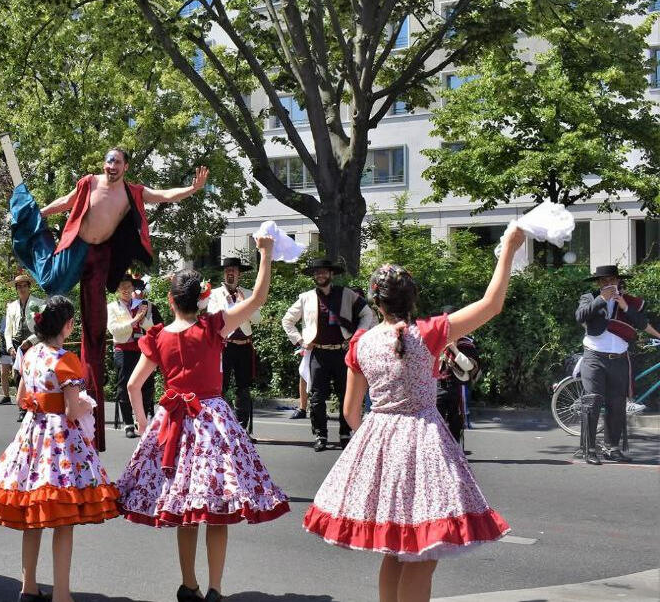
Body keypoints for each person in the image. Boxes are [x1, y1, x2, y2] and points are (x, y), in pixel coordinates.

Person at [303, 229, 524, 602]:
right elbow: (492, 304)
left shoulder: (361, 343)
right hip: (423, 441)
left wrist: (373, 441)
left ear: (376, 302)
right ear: (412, 298)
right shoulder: (430, 332)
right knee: (422, 553)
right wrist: (510, 251)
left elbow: (350, 412)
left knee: (394, 546)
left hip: (379, 439)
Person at [117, 238, 289, 602]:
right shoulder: (213, 328)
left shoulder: (159, 336)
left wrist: (147, 427)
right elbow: (257, 299)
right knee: (216, 507)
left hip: (173, 422)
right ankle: (215, 588)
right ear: (202, 299)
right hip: (212, 419)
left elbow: (134, 386)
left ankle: (188, 584)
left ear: (170, 301)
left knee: (183, 507)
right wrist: (265, 254)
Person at [10, 146, 207, 450]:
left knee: (95, 328)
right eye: (108, 161)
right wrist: (37, 215)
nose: (111, 165)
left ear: (126, 166)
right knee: (50, 282)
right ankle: (29, 223)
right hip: (78, 250)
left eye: (117, 161)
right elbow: (65, 203)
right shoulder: (89, 183)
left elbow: (165, 195)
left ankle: (92, 410)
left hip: (100, 259)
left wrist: (193, 189)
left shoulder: (133, 193)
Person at [0, 295, 120, 602]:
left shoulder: (30, 355)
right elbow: (72, 410)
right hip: (59, 443)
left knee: (33, 511)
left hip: (32, 435)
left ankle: (28, 586)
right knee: (63, 516)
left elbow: (21, 398)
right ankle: (61, 593)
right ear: (68, 326)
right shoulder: (65, 360)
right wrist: (86, 403)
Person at [282, 258, 376, 452]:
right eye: (317, 273)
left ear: (331, 274)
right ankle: (320, 435)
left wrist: (359, 335)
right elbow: (287, 320)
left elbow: (368, 315)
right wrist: (300, 341)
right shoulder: (306, 297)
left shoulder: (347, 294)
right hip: (318, 354)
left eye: (324, 272)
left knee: (346, 395)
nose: (320, 275)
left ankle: (345, 433)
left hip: (343, 352)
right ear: (313, 276)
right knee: (317, 397)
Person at [576, 265, 648, 464]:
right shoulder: (589, 297)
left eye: (612, 281)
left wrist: (624, 306)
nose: (609, 285)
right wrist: (602, 299)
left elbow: (641, 322)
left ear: (618, 281)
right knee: (593, 401)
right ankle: (589, 449)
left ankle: (612, 448)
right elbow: (580, 316)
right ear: (598, 283)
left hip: (619, 359)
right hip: (594, 357)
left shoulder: (626, 300)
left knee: (617, 405)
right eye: (604, 281)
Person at [207, 257, 261, 436]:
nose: (231, 273)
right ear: (224, 273)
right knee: (220, 387)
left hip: (244, 345)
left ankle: (241, 429)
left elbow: (258, 319)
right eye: (228, 270)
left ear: (239, 274)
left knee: (243, 388)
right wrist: (235, 305)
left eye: (234, 270)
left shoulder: (248, 292)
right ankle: (220, 427)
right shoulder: (214, 294)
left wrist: (245, 303)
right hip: (224, 346)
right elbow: (213, 316)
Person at [108, 274, 154, 438]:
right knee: (124, 384)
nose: (125, 290)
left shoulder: (144, 304)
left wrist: (143, 320)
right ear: (117, 290)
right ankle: (128, 423)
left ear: (133, 288)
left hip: (142, 348)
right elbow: (114, 329)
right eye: (122, 287)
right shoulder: (112, 306)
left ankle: (141, 419)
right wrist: (134, 320)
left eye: (128, 286)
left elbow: (152, 327)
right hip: (123, 348)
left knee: (147, 384)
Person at [434, 306, 479, 447]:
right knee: (435, 423)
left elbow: (469, 367)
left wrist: (454, 348)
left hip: (457, 386)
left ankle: (455, 451)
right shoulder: (436, 340)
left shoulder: (466, 342)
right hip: (438, 386)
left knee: (456, 422)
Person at [2, 273, 44, 406]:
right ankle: (23, 407)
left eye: (24, 285)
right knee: (18, 374)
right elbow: (7, 330)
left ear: (29, 287)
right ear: (16, 289)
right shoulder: (11, 306)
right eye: (19, 286)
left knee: (34, 373)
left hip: (33, 342)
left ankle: (35, 402)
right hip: (16, 343)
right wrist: (9, 346)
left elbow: (42, 328)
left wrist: (31, 340)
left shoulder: (39, 304)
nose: (22, 288)